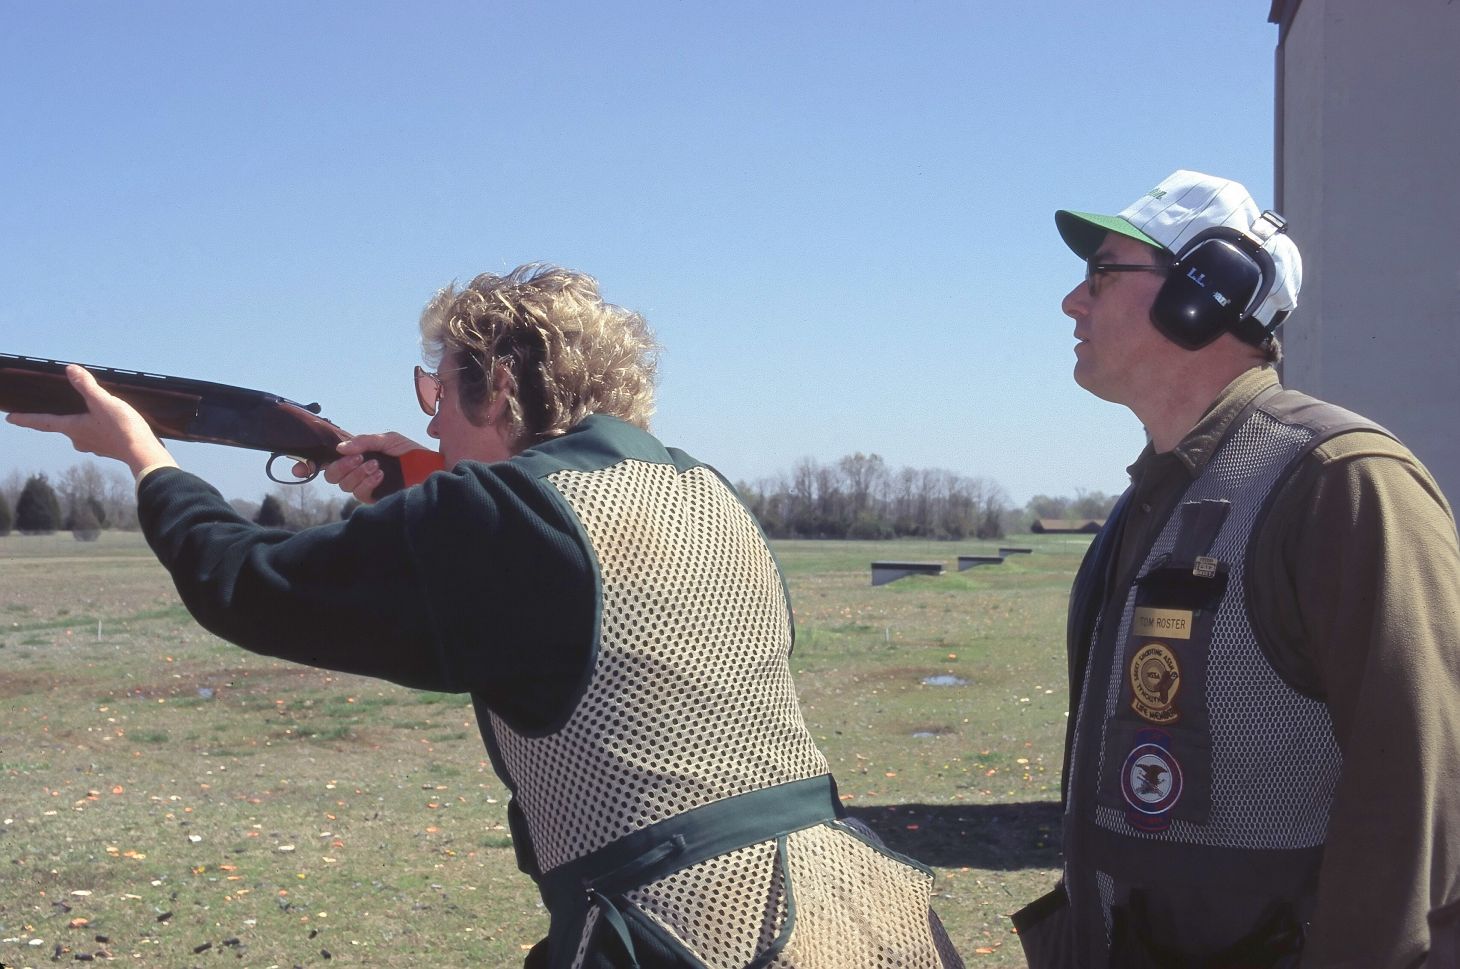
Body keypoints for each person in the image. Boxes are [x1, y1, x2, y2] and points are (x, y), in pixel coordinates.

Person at [5, 264, 965, 969]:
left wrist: (145, 457)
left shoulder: (497, 519)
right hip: (861, 911)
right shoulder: (702, 489)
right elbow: (566, 574)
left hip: (683, 935)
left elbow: (244, 582)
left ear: (499, 383)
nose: (426, 421)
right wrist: (409, 491)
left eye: (439, 391)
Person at [1010, 170, 1460, 968]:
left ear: (1204, 291)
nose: (1072, 303)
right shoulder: (1151, 496)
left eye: (1101, 274)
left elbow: (1416, 801)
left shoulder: (1341, 483)